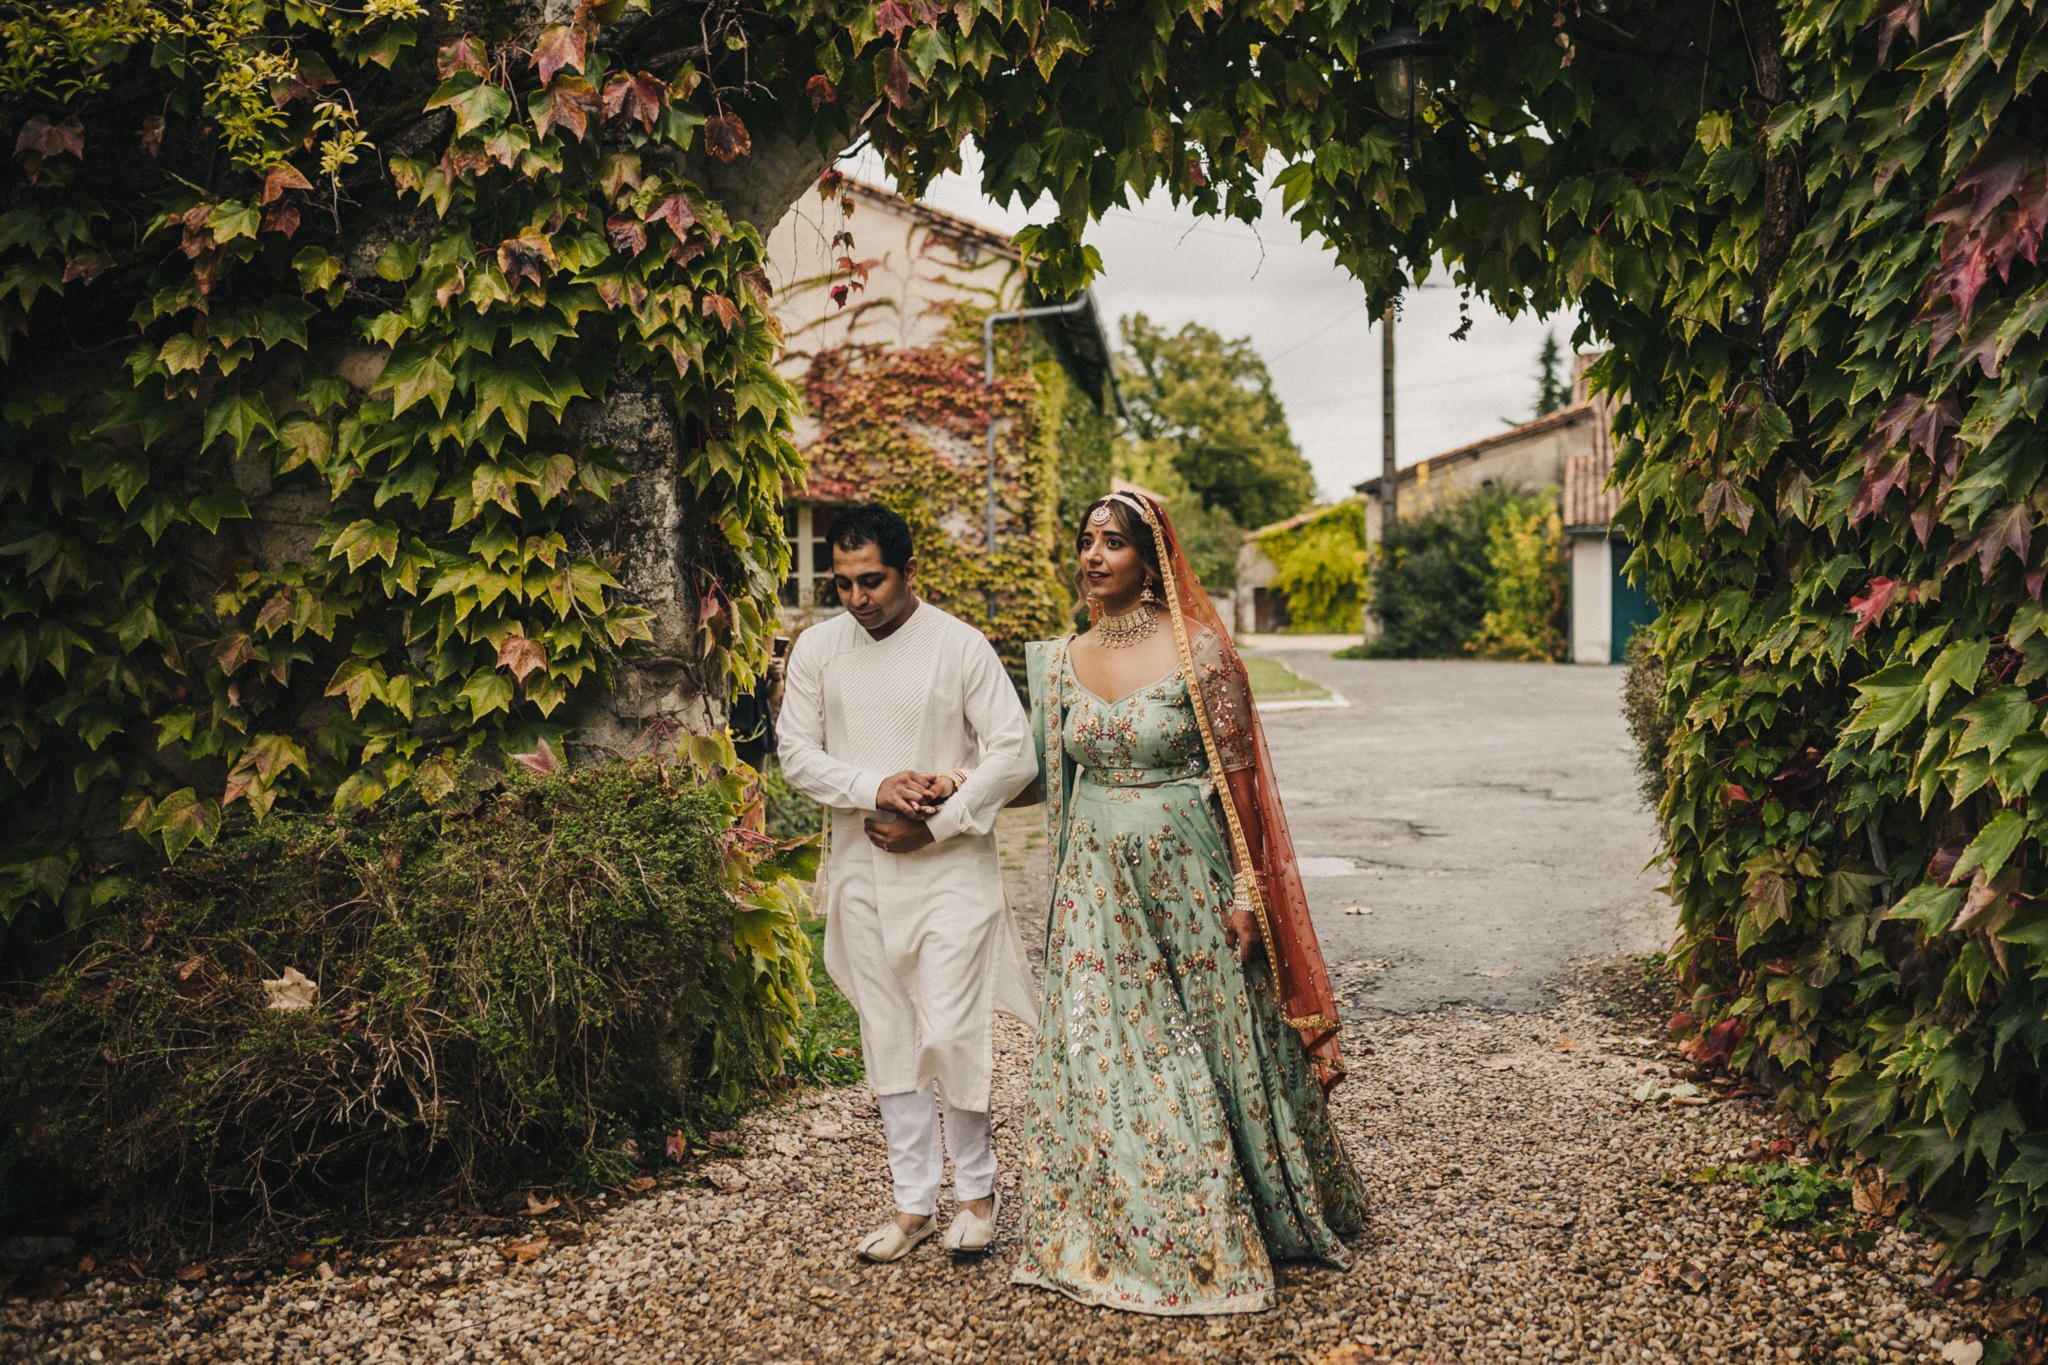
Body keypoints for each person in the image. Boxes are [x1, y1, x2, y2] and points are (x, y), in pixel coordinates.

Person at [1011, 489, 1366, 1314]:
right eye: (1086, 541)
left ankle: (1265, 1209)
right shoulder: (1061, 659)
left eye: (1114, 543)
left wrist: (1249, 895)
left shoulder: (1200, 652)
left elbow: (1240, 786)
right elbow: (1038, 773)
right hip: (1096, 884)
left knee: (1215, 1037)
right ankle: (1130, 1224)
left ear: (1151, 557)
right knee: (1113, 1047)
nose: (1094, 555)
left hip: (1192, 875)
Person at [777, 503, 1039, 1262]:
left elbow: (1014, 753)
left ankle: (979, 1195)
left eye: (872, 581)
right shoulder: (819, 649)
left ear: (907, 569)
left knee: (952, 1028)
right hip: (862, 866)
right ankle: (911, 1202)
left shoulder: (958, 644)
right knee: (889, 1032)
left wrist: (939, 820)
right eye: (843, 583)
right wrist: (876, 785)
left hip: (952, 868)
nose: (857, 598)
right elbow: (795, 754)